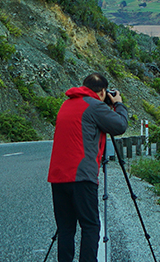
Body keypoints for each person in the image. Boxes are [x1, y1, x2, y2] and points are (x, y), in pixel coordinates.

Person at [47, 73, 129, 262]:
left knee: (66, 228)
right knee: (91, 226)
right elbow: (120, 125)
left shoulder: (66, 104)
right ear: (102, 91)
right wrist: (118, 104)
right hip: (81, 178)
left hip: (58, 177)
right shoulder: (95, 106)